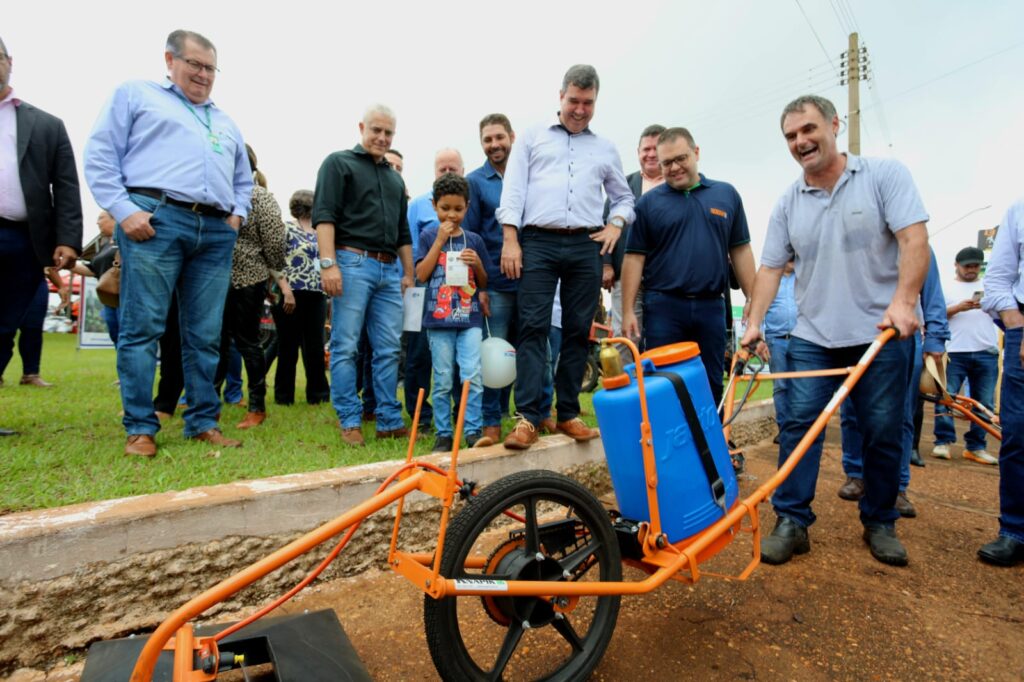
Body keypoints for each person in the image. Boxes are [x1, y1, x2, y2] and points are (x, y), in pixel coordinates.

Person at [741, 94, 929, 567]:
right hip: (812, 337)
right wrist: (753, 324)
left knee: (883, 431)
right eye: (790, 136)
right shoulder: (788, 201)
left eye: (808, 130)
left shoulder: (885, 177)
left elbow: (914, 239)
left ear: (834, 124)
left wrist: (904, 303)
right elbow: (769, 269)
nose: (800, 142)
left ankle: (880, 520)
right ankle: (793, 521)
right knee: (798, 426)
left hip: (880, 334)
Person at [84, 29, 252, 456]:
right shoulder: (136, 95)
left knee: (205, 334)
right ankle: (141, 427)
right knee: (144, 327)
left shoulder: (225, 120)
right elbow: (101, 154)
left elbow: (242, 180)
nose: (202, 74)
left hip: (214, 231)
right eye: (194, 63)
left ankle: (201, 421)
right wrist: (124, 210)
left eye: (210, 67)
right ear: (170, 60)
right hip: (155, 220)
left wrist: (236, 215)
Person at [497, 64, 634, 450]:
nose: (579, 109)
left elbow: (624, 197)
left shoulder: (605, 148)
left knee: (578, 330)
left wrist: (616, 224)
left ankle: (568, 413)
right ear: (561, 97)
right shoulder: (532, 137)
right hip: (537, 241)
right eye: (574, 100)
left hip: (585, 245)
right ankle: (527, 417)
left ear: (595, 102)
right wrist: (511, 239)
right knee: (533, 328)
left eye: (587, 103)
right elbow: (514, 191)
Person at [621, 127, 754, 407]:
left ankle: (710, 448)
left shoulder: (726, 195)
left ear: (696, 153)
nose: (674, 167)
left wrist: (754, 298)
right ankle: (667, 449)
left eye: (681, 158)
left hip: (711, 308)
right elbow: (634, 258)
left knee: (710, 384)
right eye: (666, 162)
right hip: (664, 309)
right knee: (662, 385)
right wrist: (627, 311)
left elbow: (740, 249)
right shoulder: (647, 205)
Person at [313, 104, 414, 447]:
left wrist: (409, 275)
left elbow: (403, 233)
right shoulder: (338, 163)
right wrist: (329, 265)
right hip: (351, 262)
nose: (382, 138)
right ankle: (350, 419)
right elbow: (324, 215)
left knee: (387, 349)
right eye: (377, 131)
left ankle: (387, 418)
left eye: (388, 133)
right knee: (345, 346)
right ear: (362, 128)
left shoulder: (393, 178)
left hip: (389, 269)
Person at [0, 35, 83, 436]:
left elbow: (65, 186)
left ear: (9, 61)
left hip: (20, 240)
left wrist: (67, 238)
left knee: (4, 327)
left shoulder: (45, 125)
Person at [838, 249, 949, 519]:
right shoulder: (850, 241)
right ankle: (856, 475)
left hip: (901, 338)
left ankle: (897, 487)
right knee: (851, 410)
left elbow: (931, 291)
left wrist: (936, 338)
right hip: (851, 336)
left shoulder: (914, 241)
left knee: (899, 416)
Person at [415, 173, 492, 451]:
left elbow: (484, 282)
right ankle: (444, 433)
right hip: (438, 321)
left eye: (458, 209)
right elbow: (421, 275)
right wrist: (438, 242)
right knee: (443, 377)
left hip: (469, 319)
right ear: (434, 205)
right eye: (445, 208)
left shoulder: (474, 240)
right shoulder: (426, 236)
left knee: (472, 374)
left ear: (467, 207)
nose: (451, 215)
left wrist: (477, 264)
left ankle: (472, 430)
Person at [213, 144, 285, 429]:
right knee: (214, 342)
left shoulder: (259, 197)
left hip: (247, 279)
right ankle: (209, 403)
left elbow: (276, 243)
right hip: (214, 277)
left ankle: (257, 406)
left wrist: (271, 273)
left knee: (246, 341)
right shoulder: (214, 193)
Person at [976, 200, 1024, 566]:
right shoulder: (1018, 211)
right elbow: (997, 280)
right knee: (1018, 435)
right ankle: (1015, 530)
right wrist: (1016, 324)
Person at [465, 114, 518, 442]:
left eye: (499, 137)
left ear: (512, 136)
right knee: (494, 354)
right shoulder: (475, 181)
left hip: (529, 281)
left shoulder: (526, 175)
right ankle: (490, 422)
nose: (494, 145)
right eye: (488, 140)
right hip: (494, 284)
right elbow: (471, 237)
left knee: (521, 353)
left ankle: (529, 413)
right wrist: (479, 287)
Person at [404, 148, 465, 429]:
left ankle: (455, 412)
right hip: (421, 287)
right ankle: (421, 415)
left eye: (453, 169)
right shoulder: (417, 205)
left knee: (451, 357)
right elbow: (408, 246)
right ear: (434, 172)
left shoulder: (462, 206)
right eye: (443, 169)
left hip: (457, 293)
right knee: (418, 354)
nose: (448, 173)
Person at [932, 246, 999, 464]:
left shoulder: (990, 286)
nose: (971, 269)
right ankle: (942, 442)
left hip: (986, 349)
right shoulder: (945, 286)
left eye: (975, 266)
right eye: (967, 266)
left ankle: (976, 446)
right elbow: (935, 313)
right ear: (956, 265)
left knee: (985, 403)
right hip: (954, 350)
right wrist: (957, 308)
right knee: (946, 398)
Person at [605, 124, 665, 340]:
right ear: (638, 153)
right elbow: (605, 224)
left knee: (661, 336)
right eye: (645, 149)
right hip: (627, 276)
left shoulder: (679, 186)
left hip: (666, 279)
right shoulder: (624, 186)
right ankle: (628, 375)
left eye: (656, 148)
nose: (650, 154)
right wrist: (606, 264)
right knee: (626, 337)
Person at [271, 189, 329, 405]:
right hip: (290, 294)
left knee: (315, 346)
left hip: (317, 294)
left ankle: (319, 396)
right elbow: (275, 260)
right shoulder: (286, 228)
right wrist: (285, 290)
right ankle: (283, 397)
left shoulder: (320, 231)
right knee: (287, 346)